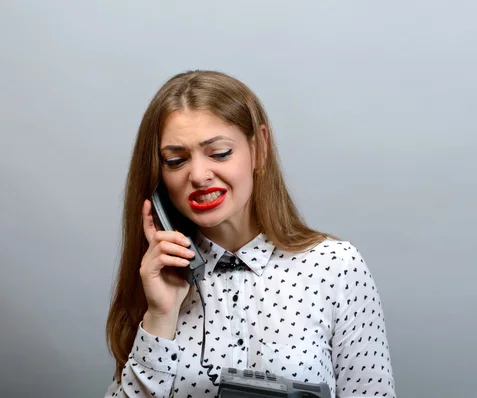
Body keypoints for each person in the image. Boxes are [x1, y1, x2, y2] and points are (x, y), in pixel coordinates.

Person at [104, 70, 395, 398]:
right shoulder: (158, 279)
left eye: (219, 153)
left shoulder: (335, 267)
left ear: (259, 148)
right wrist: (160, 316)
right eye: (176, 160)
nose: (199, 175)